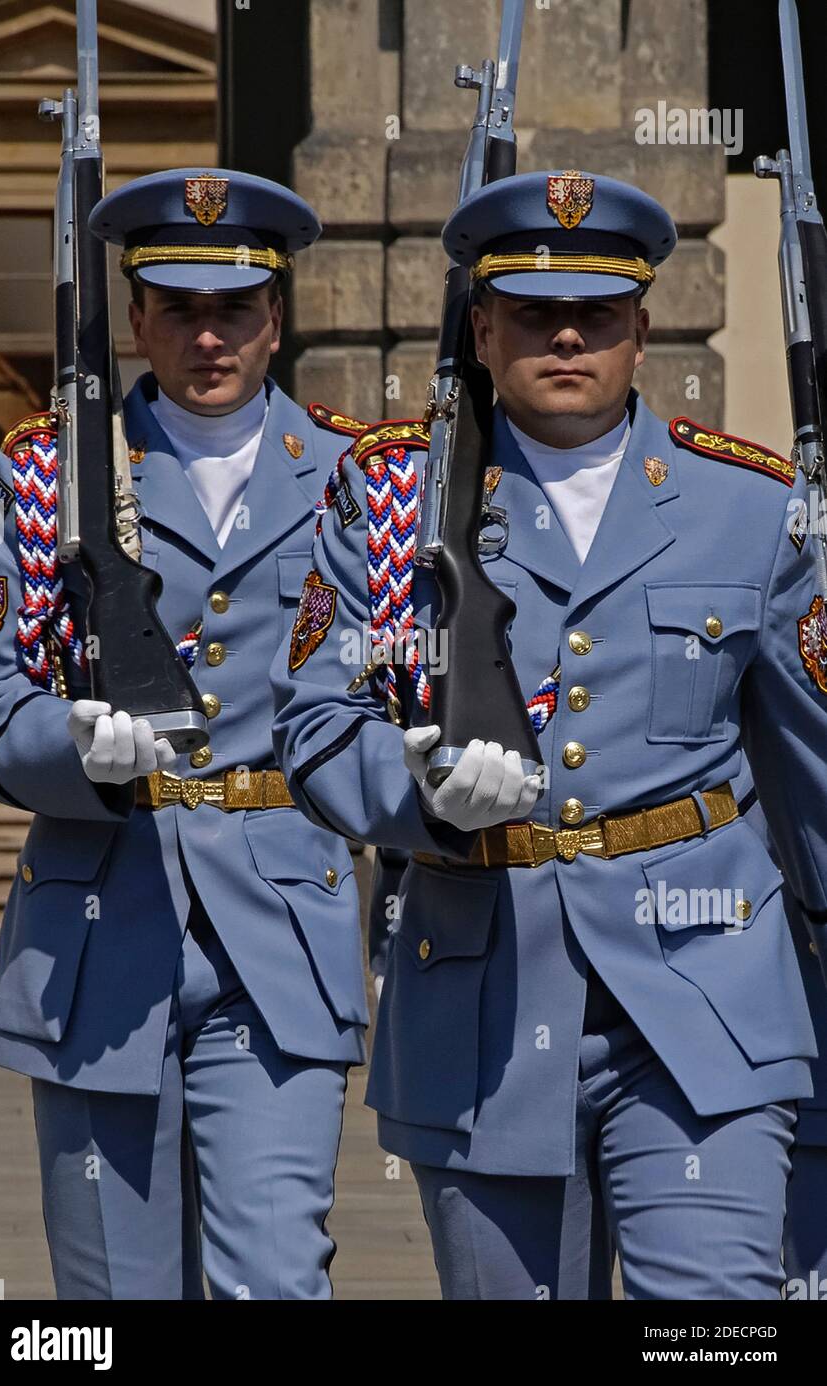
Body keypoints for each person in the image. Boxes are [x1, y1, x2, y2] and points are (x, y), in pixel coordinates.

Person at [270, 169, 827, 1300]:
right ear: (480, 327)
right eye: (530, 313)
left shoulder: (749, 506)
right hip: (482, 1007)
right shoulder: (388, 500)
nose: (565, 336)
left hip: (706, 994)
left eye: (597, 314)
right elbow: (315, 729)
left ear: (640, 328)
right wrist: (417, 787)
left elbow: (812, 771)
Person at [0, 168, 368, 1300]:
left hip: (275, 933)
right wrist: (73, 747)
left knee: (275, 1280)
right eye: (177, 308)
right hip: (97, 931)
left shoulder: (361, 476)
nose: (205, 335)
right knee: (111, 1301)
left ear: (273, 316)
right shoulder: (49, 470)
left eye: (232, 308)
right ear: (134, 317)